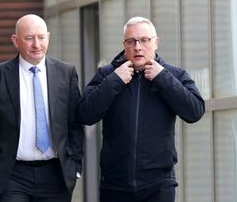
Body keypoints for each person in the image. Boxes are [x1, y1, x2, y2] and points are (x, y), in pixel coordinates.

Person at [78, 16, 205, 202]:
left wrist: (162, 78)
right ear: (124, 44)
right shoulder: (107, 75)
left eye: (144, 40)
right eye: (131, 41)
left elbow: (195, 111)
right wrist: (115, 80)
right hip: (114, 184)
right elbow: (84, 114)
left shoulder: (174, 75)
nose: (138, 47)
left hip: (159, 184)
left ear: (156, 43)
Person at [0, 14, 84, 202]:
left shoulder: (66, 73)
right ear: (16, 41)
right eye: (29, 38)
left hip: (55, 174)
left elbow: (74, 125)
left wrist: (75, 168)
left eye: (41, 37)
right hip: (12, 175)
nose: (36, 45)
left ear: (48, 37)